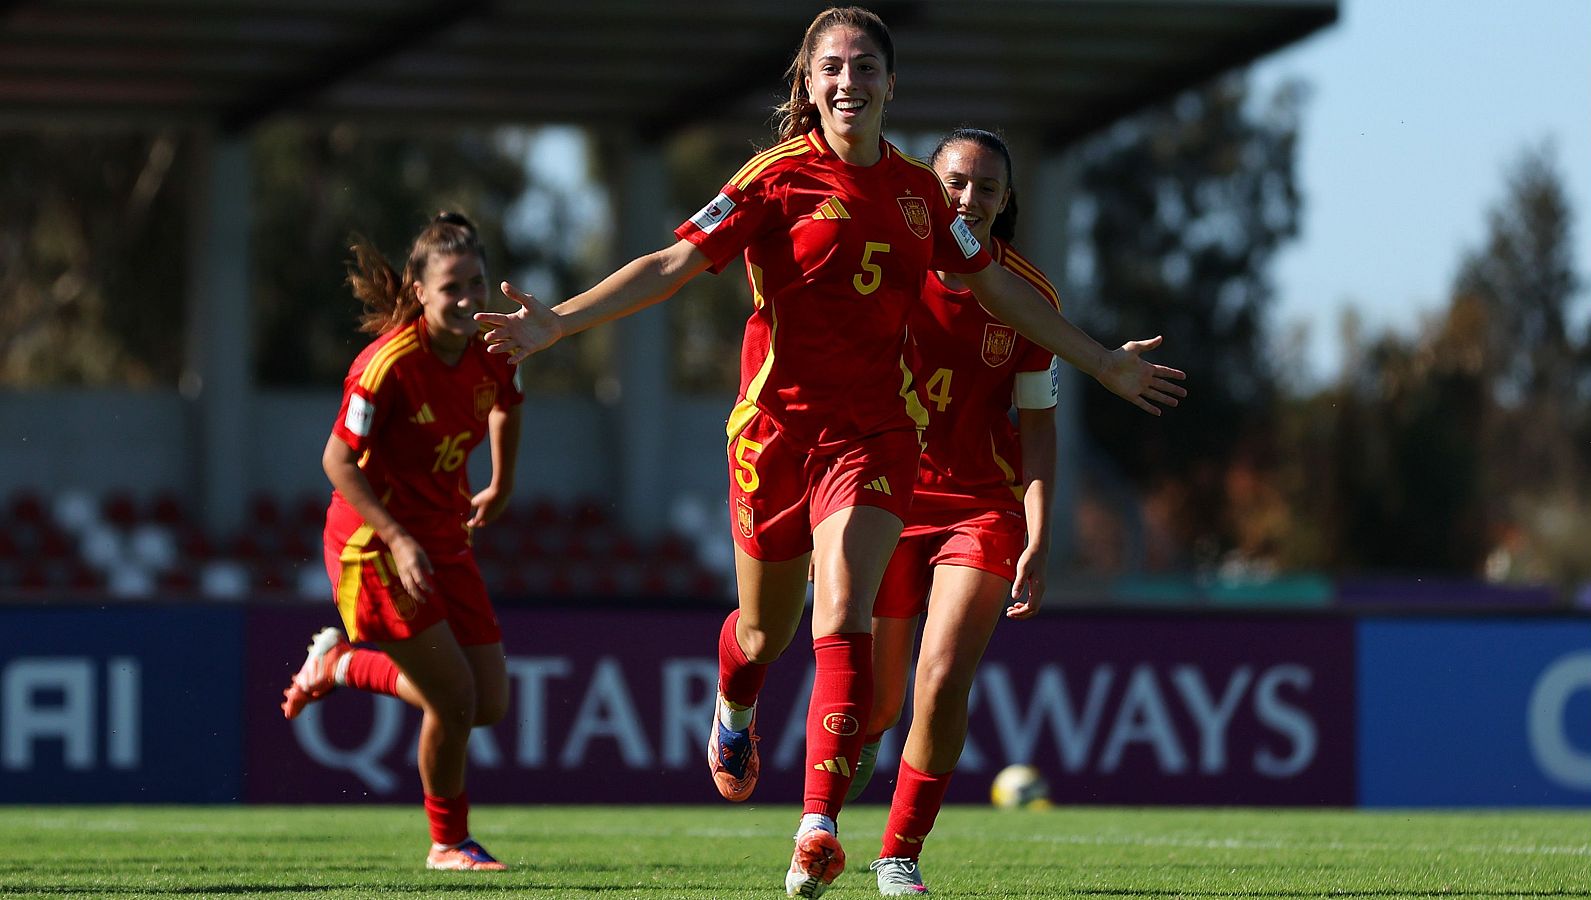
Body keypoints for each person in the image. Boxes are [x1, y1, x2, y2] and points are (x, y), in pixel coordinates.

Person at [474, 8, 1185, 896]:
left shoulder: (922, 194)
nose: (850, 81)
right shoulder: (773, 179)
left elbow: (999, 288)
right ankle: (735, 701)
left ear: (892, 83)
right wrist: (560, 323)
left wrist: (1101, 362)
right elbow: (672, 264)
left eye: (866, 66)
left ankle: (817, 829)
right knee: (765, 633)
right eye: (833, 68)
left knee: (843, 614)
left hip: (874, 435)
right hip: (774, 434)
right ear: (809, 86)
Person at [838, 127, 1060, 896]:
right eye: (955, 183)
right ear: (927, 189)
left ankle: (900, 853)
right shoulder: (884, 266)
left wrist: (1038, 534)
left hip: (980, 508)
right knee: (880, 698)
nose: (969, 198)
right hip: (885, 494)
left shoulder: (1028, 298)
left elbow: (1039, 428)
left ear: (1006, 203)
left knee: (940, 681)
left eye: (986, 188)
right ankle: (869, 732)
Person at [278, 211, 522, 872]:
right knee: (454, 699)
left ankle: (341, 665)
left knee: (488, 702)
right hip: (372, 545)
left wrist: (501, 484)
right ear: (419, 291)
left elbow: (507, 402)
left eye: (476, 283)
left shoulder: (492, 347)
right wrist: (397, 537)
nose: (468, 300)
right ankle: (448, 843)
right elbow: (336, 461)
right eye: (452, 288)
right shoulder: (386, 365)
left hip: (443, 533)